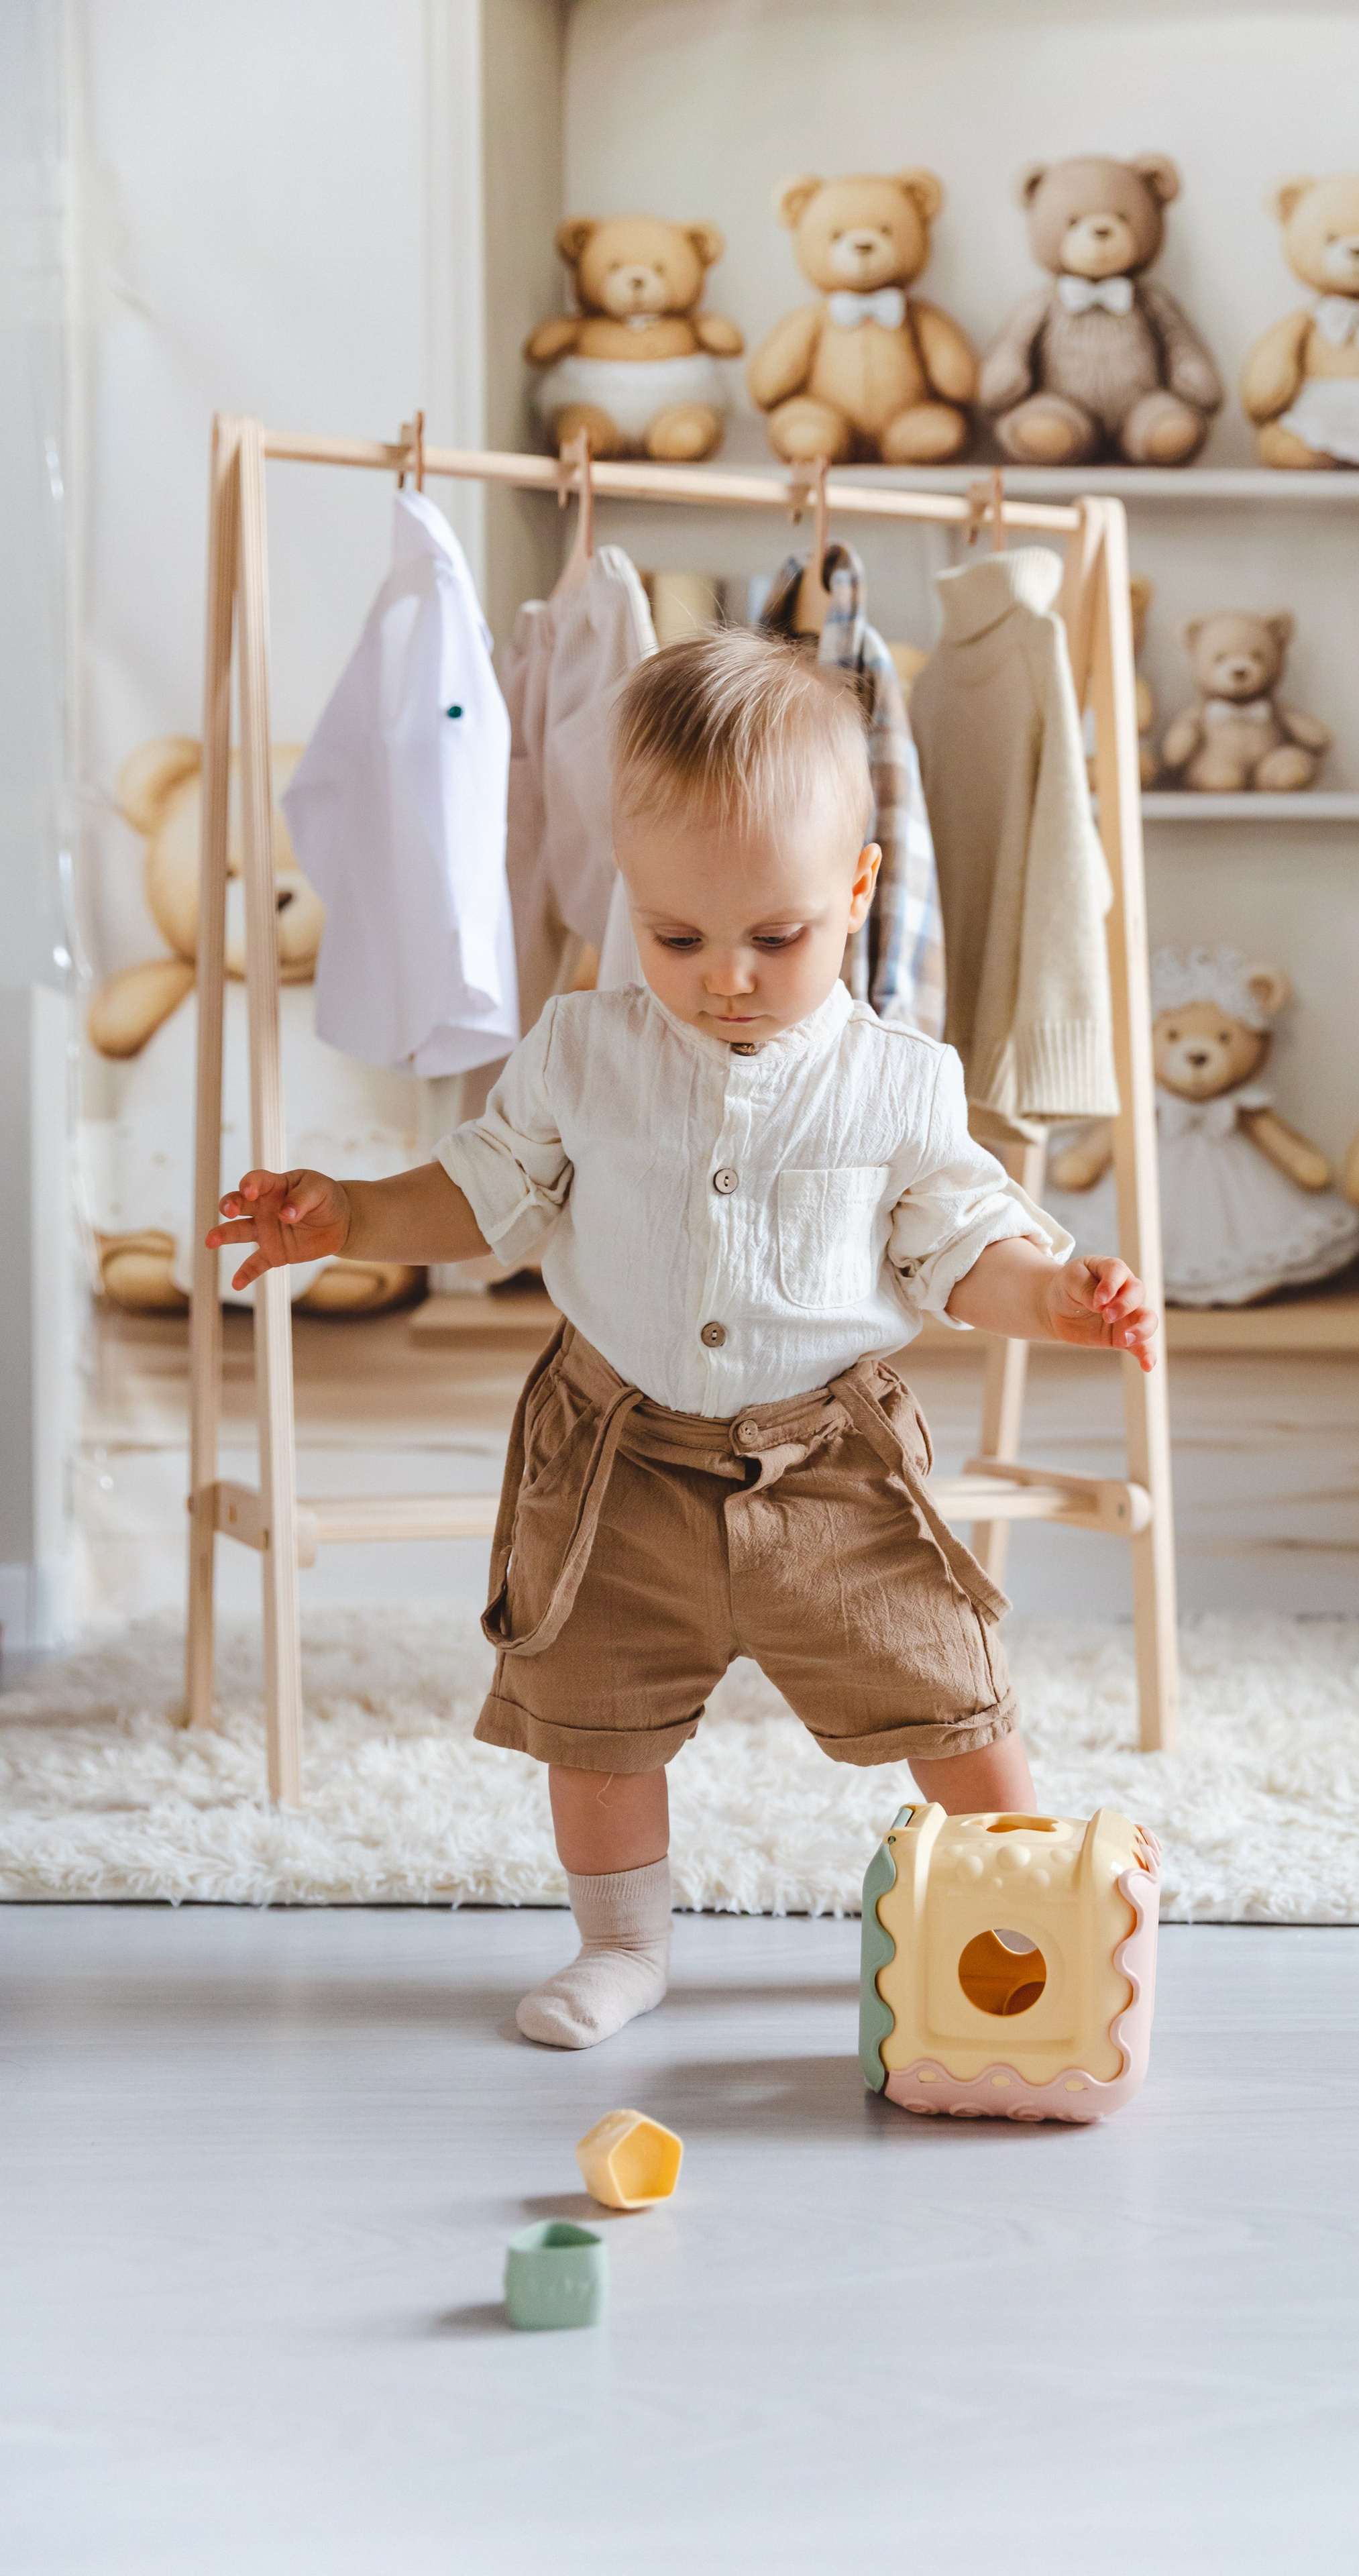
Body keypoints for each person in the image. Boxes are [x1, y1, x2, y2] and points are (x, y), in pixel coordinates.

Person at [209, 631, 1158, 2051]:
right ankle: (625, 1945)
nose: (724, 976)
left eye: (774, 938)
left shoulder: (900, 1082)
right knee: (591, 1716)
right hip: (614, 1455)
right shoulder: (578, 1054)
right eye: (676, 938)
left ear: (855, 893)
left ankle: (1029, 1906)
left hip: (830, 1462)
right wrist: (342, 1212)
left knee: (946, 1687)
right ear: (629, 907)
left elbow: (963, 1249)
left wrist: (1062, 1296)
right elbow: (481, 1195)